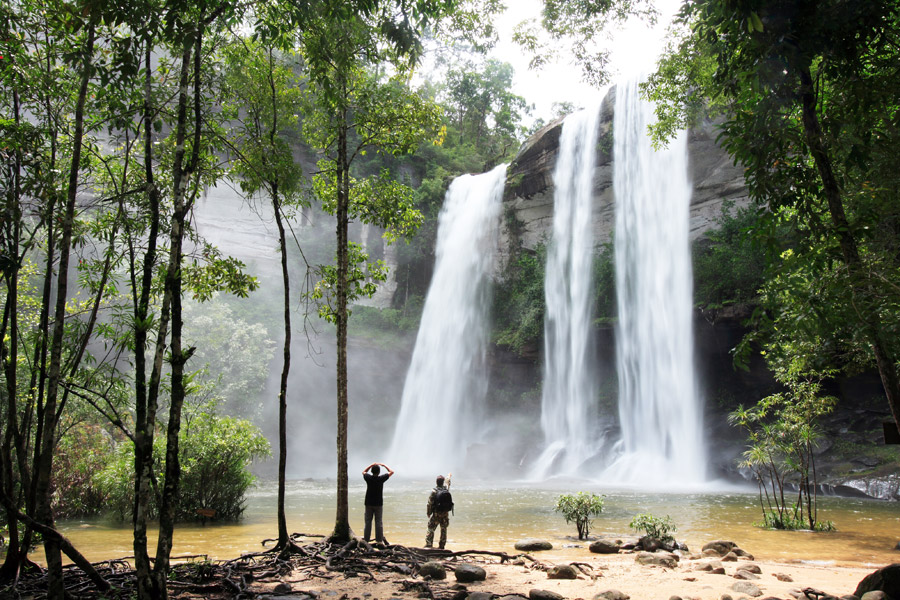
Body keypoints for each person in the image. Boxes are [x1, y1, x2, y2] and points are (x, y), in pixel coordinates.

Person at [362, 462, 394, 544]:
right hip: (378, 503)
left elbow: (364, 472)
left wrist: (371, 465)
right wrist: (384, 465)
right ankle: (379, 541)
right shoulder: (381, 479)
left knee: (368, 522)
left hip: (368, 502)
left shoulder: (368, 478)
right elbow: (391, 472)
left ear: (372, 471)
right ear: (379, 472)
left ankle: (366, 540)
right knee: (378, 521)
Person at [425, 474, 453, 549]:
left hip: (436, 514)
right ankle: (442, 546)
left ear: (436, 482)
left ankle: (429, 545)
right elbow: (448, 483)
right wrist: (449, 476)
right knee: (443, 529)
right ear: (442, 482)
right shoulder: (446, 489)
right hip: (445, 513)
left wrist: (428, 513)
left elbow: (429, 503)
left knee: (430, 528)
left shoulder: (434, 491)